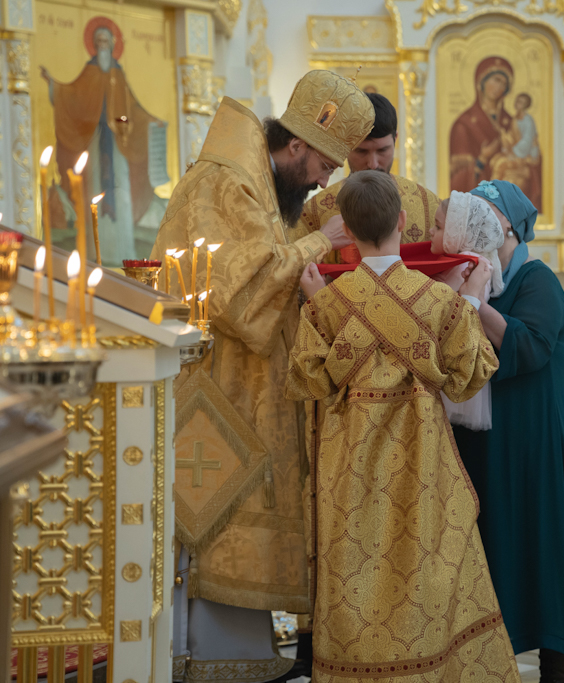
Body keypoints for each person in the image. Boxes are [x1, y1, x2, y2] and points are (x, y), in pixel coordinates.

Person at [153, 70, 372, 682]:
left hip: (246, 386)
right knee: (217, 507)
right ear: (297, 144)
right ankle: (203, 656)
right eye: (324, 165)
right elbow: (237, 292)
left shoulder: (256, 182)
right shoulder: (224, 182)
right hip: (218, 388)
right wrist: (318, 243)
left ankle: (240, 653)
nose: (325, 179)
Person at [285, 171, 519, 682]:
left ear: (347, 229)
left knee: (356, 569)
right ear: (403, 221)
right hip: (423, 466)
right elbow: (471, 376)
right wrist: (468, 301)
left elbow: (309, 381)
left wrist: (318, 301)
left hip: (349, 469)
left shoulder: (328, 304)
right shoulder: (439, 301)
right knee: (424, 568)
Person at [449, 179, 564, 682]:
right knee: (491, 542)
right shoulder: (466, 275)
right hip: (482, 439)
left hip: (533, 438)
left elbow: (530, 347)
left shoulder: (537, 279)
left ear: (507, 226)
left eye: (483, 213)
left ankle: (554, 664)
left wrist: (472, 302)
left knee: (540, 539)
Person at [41, 18, 167, 263]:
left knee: (122, 190)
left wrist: (153, 120)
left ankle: (124, 251)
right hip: (95, 143)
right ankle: (92, 253)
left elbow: (134, 107)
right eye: (98, 41)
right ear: (93, 44)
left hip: (119, 146)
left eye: (106, 42)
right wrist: (53, 84)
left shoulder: (118, 74)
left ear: (112, 44)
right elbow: (71, 96)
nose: (102, 46)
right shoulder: (89, 72)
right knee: (93, 189)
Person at [297, 92, 440, 249]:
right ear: (345, 146)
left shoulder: (430, 209)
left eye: (382, 150)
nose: (373, 164)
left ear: (395, 139)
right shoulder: (312, 215)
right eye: (361, 151)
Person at [430, 191, 506, 431]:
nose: (430, 231)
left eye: (438, 226)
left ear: (458, 232)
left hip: (455, 357)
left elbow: (442, 312)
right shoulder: (471, 260)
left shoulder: (466, 263)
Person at [450, 58, 542, 211]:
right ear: (481, 82)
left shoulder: (512, 122)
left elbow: (533, 161)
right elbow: (457, 179)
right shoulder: (464, 124)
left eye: (504, 83)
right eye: (496, 80)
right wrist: (482, 158)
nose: (499, 87)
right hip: (477, 210)